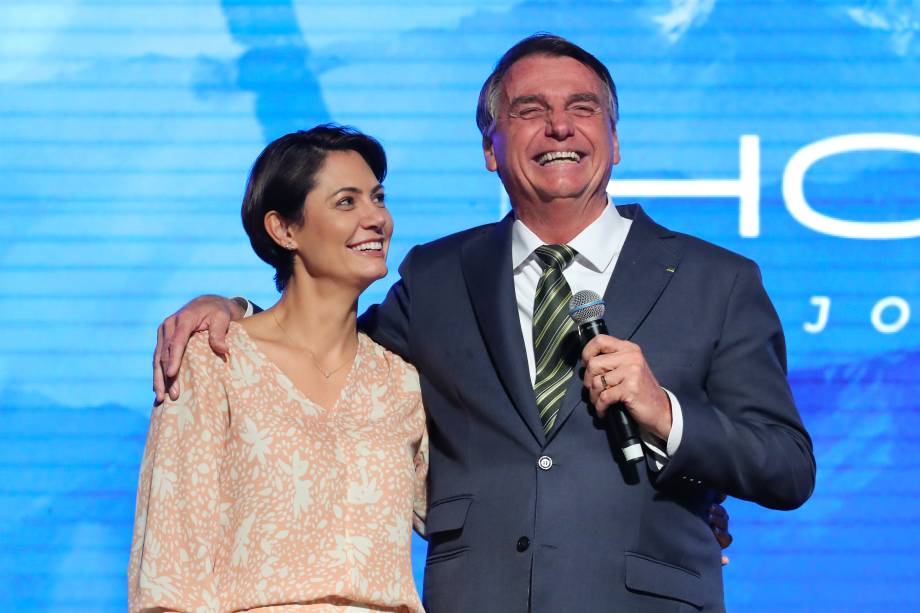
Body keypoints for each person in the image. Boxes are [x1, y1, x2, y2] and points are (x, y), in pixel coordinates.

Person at [154, 34, 812, 612]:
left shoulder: (716, 280)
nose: (559, 127)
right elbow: (328, 359)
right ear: (491, 151)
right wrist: (233, 310)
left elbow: (785, 466)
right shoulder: (438, 278)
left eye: (582, 109)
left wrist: (665, 413)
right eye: (530, 111)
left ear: (615, 140)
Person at [130, 125, 428, 612]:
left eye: (378, 198)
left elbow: (463, 512)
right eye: (347, 202)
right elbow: (169, 570)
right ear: (284, 229)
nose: (377, 218)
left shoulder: (399, 381)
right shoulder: (215, 359)